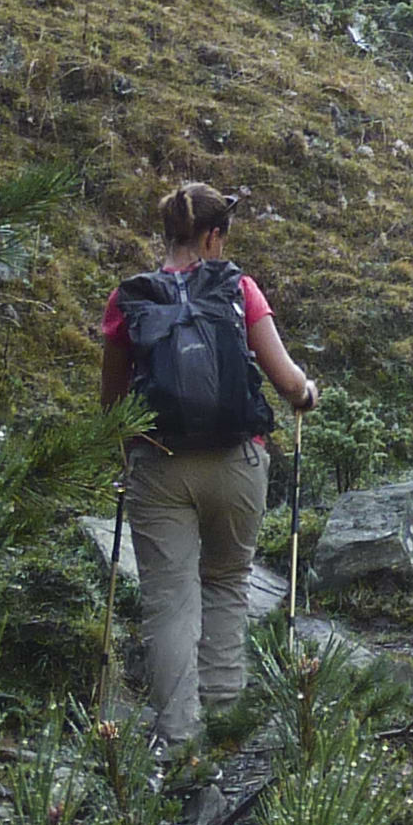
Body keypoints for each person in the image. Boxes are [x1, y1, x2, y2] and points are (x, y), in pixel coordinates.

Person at [99, 180, 319, 748]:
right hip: (236, 462)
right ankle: (225, 729)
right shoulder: (238, 289)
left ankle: (178, 743)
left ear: (167, 233)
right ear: (213, 236)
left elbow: (112, 405)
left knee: (169, 601)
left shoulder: (131, 299)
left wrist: (128, 459)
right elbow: (288, 381)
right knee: (226, 582)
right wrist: (308, 395)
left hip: (160, 465)